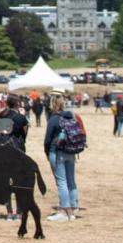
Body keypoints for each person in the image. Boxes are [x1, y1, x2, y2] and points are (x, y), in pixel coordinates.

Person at [44, 93, 83, 222]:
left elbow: (47, 140)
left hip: (57, 152)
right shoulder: (71, 116)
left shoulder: (54, 119)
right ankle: (73, 210)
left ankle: (64, 211)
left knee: (61, 182)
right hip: (71, 151)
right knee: (71, 181)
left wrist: (48, 154)